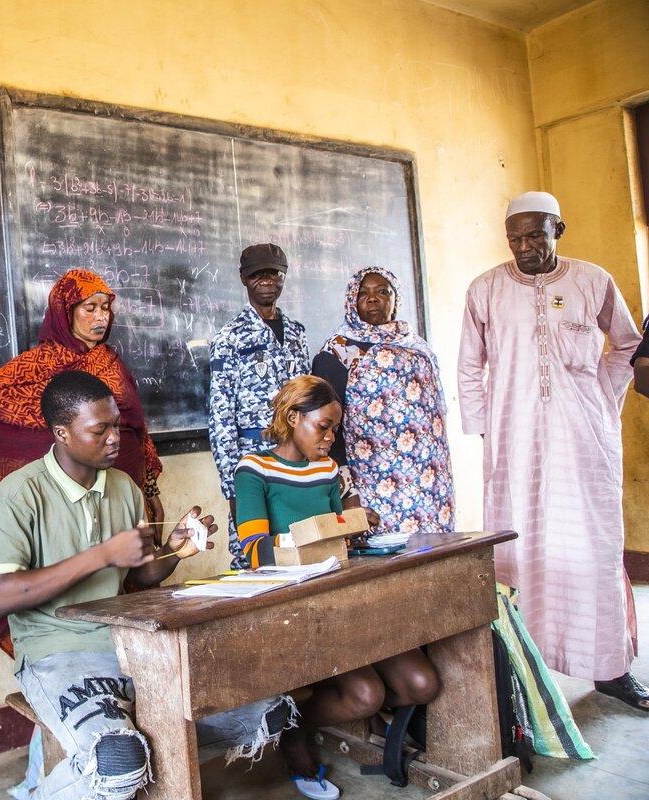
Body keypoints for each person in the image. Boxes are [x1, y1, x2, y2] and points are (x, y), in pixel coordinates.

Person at [0, 370, 296, 800]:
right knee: (116, 761)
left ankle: (131, 759)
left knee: (269, 712)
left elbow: (141, 573)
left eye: (117, 426)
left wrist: (174, 550)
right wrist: (103, 554)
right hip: (59, 651)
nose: (115, 439)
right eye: (100, 429)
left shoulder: (124, 488)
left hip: (128, 644)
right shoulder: (21, 493)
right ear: (61, 433)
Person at [459, 190, 646, 710]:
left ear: (557, 229)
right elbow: (470, 364)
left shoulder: (593, 280)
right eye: (514, 237)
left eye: (534, 234)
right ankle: (524, 667)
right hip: (514, 436)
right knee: (521, 544)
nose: (524, 246)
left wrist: (602, 395)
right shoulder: (486, 289)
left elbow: (628, 344)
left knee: (595, 542)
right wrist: (484, 423)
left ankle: (610, 668)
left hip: (585, 434)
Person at [234, 375, 440, 800]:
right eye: (322, 426)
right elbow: (255, 551)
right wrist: (321, 535)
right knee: (366, 693)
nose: (330, 438)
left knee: (422, 683)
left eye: (334, 429)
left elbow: (340, 540)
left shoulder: (327, 470)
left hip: (343, 598)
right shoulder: (254, 470)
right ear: (292, 418)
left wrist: (356, 529)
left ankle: (351, 716)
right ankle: (292, 729)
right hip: (293, 605)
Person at [0, 268, 164, 655]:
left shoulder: (112, 364)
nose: (101, 317)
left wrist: (150, 487)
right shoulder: (38, 367)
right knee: (77, 590)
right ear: (64, 312)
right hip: (67, 502)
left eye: (106, 308)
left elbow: (139, 430)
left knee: (128, 587)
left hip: (120, 494)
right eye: (89, 308)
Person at [311, 267, 454, 536]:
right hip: (373, 480)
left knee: (434, 555)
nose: (372, 299)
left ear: (395, 299)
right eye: (362, 293)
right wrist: (345, 490)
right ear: (351, 301)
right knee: (386, 556)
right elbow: (329, 429)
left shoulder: (415, 345)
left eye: (382, 292)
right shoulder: (337, 352)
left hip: (428, 477)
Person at [209, 243, 309, 554]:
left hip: (298, 459)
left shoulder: (297, 333)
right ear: (244, 279)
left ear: (283, 277)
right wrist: (232, 487)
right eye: (257, 274)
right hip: (254, 463)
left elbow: (309, 399)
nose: (266, 280)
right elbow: (220, 416)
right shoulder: (230, 338)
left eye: (273, 273)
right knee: (255, 552)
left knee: (302, 544)